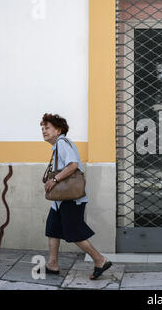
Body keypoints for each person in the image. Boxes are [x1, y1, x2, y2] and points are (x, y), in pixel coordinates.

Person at [40, 113, 112, 280]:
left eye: (47, 127)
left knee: (73, 232)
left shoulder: (63, 143)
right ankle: (53, 264)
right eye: (42, 128)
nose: (44, 130)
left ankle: (100, 260)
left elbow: (73, 165)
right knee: (52, 229)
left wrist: (55, 179)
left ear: (58, 130)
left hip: (70, 199)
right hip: (60, 201)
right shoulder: (58, 146)